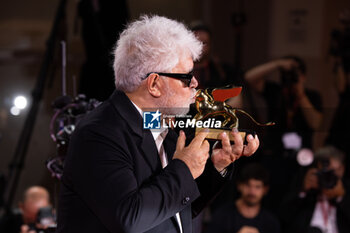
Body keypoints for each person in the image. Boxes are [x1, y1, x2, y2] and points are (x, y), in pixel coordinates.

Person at [56, 15, 259, 233]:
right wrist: (186, 168)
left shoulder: (160, 125)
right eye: (186, 76)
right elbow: (129, 218)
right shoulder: (99, 133)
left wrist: (216, 166)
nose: (195, 83)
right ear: (154, 84)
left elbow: (175, 210)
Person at [280, 146, 350, 233]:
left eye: (332, 171)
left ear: (342, 169)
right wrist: (303, 191)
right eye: (324, 172)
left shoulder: (347, 188)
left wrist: (341, 197)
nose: (328, 176)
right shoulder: (306, 185)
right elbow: (284, 215)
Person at [205, 163, 280, 233]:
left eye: (257, 187)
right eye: (248, 185)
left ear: (265, 190)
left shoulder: (271, 222)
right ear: (239, 185)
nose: (252, 191)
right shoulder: (221, 216)